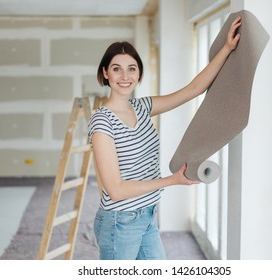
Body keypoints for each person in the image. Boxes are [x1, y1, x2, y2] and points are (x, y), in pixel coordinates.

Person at [88, 16, 242, 260]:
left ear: (139, 74)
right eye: (117, 69)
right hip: (121, 222)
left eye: (132, 68)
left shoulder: (142, 107)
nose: (125, 76)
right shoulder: (102, 122)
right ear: (105, 73)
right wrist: (171, 181)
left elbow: (193, 90)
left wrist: (226, 48)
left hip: (148, 215)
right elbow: (115, 190)